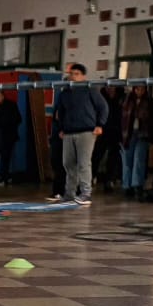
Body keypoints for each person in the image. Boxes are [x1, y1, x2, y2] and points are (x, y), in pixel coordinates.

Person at [53, 63, 109, 206]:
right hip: (68, 132)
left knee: (84, 163)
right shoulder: (65, 93)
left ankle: (86, 193)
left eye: (76, 74)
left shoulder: (90, 90)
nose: (73, 76)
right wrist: (61, 128)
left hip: (86, 131)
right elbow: (60, 112)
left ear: (83, 76)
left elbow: (103, 107)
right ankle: (69, 193)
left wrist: (100, 124)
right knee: (68, 163)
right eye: (71, 74)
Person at [121, 85, 153, 200]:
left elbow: (150, 118)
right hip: (128, 133)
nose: (139, 91)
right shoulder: (127, 101)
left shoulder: (148, 102)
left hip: (142, 133)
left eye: (142, 89)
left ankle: (137, 185)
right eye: (137, 89)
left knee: (139, 158)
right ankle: (127, 185)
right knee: (127, 160)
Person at [0, 91, 22, 185]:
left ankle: (4, 177)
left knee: (5, 158)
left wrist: (7, 124)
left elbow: (18, 119)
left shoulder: (11, 106)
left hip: (8, 137)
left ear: (3, 96)